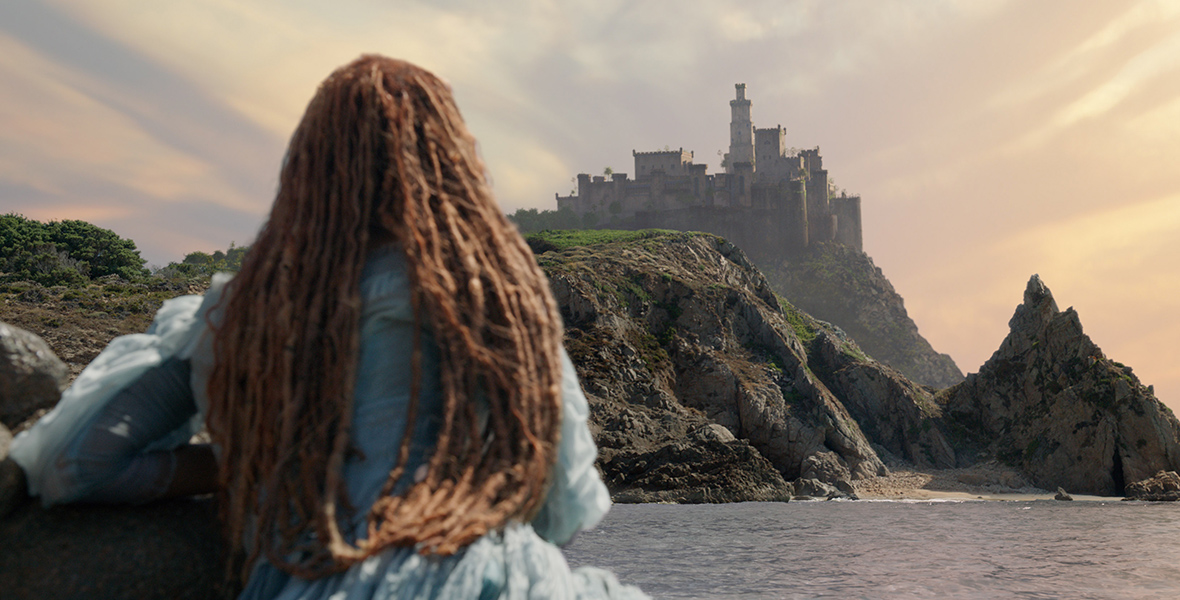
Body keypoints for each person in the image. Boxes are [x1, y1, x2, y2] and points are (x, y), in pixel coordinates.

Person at [5, 55, 647, 599]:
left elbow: (79, 464)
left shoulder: (255, 307)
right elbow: (564, 507)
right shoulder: (502, 303)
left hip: (322, 576)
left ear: (308, 166)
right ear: (451, 160)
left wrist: (252, 462)